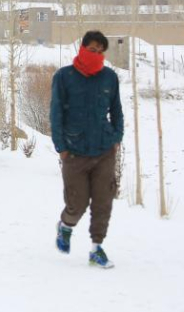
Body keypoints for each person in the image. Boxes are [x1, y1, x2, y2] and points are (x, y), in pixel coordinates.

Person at [51, 30, 124, 269]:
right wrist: (61, 147)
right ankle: (65, 226)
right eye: (92, 50)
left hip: (104, 150)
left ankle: (96, 248)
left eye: (101, 51)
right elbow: (56, 113)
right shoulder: (64, 77)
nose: (97, 55)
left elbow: (117, 111)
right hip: (74, 151)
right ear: (82, 49)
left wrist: (116, 137)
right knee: (77, 203)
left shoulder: (109, 78)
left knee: (103, 202)